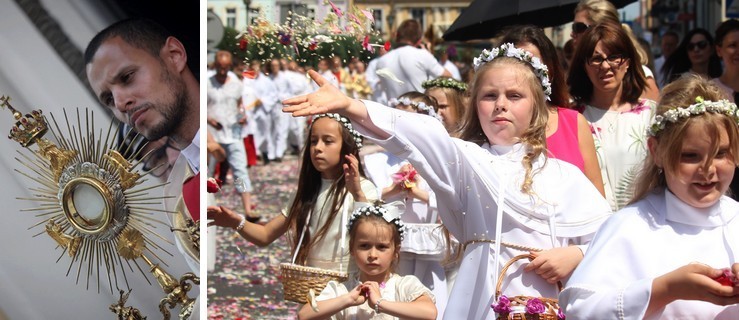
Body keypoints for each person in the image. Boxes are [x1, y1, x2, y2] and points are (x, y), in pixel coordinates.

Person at [283, 42, 612, 319]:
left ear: (537, 107)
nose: (500, 105)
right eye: (489, 95)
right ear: (475, 106)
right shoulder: (467, 159)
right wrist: (352, 105)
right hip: (482, 293)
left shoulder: (563, 175)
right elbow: (421, 134)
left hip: (545, 298)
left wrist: (577, 255)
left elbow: (608, 238)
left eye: (514, 96)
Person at [560, 73, 739, 319]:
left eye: (720, 154)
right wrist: (665, 289)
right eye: (690, 156)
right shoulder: (631, 226)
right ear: (657, 151)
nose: (708, 170)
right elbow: (581, 309)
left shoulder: (735, 217)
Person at [84, 17, 201, 318]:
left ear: (174, 56)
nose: (121, 103)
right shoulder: (178, 201)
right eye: (108, 99)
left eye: (127, 77)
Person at [207, 113, 378, 273]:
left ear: (349, 148)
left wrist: (357, 194)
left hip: (348, 287)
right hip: (312, 287)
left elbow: (374, 237)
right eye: (313, 141)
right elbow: (265, 235)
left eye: (328, 141)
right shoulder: (306, 191)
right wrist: (236, 222)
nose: (317, 148)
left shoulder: (364, 188)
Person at [364, 91, 449, 317]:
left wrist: (418, 193)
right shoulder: (378, 161)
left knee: (430, 290)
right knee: (394, 288)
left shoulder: (436, 163)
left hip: (426, 240)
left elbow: (448, 201)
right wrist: (394, 190)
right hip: (389, 242)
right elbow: (366, 198)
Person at [501, 25, 605, 197]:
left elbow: (598, 198)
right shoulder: (495, 126)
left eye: (532, 63)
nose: (523, 73)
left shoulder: (574, 122)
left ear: (549, 70)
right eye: (516, 62)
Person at [568, 21, 656, 211]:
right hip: (591, 227)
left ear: (629, 62)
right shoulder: (571, 118)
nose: (606, 66)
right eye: (596, 59)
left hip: (645, 223)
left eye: (615, 57)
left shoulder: (652, 115)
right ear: (584, 65)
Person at [298, 203, 438, 320]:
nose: (372, 255)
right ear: (352, 248)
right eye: (364, 246)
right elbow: (304, 315)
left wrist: (379, 302)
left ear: (396, 251)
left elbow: (429, 313)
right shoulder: (343, 289)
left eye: (381, 247)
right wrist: (348, 300)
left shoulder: (404, 285)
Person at [572, 0, 660, 102]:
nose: (572, 33)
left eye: (578, 27)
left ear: (601, 29)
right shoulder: (578, 72)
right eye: (596, 59)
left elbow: (654, 115)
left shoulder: (639, 75)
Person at [207, 50, 257, 221]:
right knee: (208, 173)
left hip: (233, 135)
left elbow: (239, 106)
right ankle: (205, 205)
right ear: (215, 65)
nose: (222, 70)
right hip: (213, 137)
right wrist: (209, 120)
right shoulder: (207, 83)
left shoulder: (236, 84)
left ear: (229, 66)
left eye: (226, 67)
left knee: (240, 172)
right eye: (220, 67)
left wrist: (242, 116)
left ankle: (248, 209)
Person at [376, 19, 451, 101]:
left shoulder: (381, 61)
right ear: (419, 41)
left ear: (396, 35)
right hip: (419, 110)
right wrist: (430, 56)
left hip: (393, 111)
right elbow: (448, 77)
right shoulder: (422, 55)